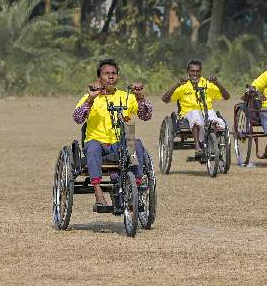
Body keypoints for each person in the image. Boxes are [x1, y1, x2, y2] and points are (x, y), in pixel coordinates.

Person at [72, 59, 153, 213]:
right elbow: (77, 118)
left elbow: (146, 115)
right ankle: (98, 192)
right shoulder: (91, 96)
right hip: (97, 144)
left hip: (120, 144)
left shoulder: (126, 96)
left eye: (113, 74)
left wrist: (140, 97)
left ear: (118, 77)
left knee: (133, 139)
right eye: (106, 74)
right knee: (93, 146)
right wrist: (90, 99)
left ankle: (135, 189)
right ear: (99, 77)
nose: (110, 77)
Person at [161, 60, 230, 159]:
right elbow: (164, 99)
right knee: (195, 114)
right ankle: (197, 146)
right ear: (188, 71)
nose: (195, 74)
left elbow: (227, 96)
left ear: (201, 72)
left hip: (207, 111)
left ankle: (212, 145)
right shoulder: (183, 85)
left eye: (197, 71)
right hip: (188, 113)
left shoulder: (208, 84)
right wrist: (177, 84)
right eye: (192, 71)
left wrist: (217, 83)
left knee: (214, 119)